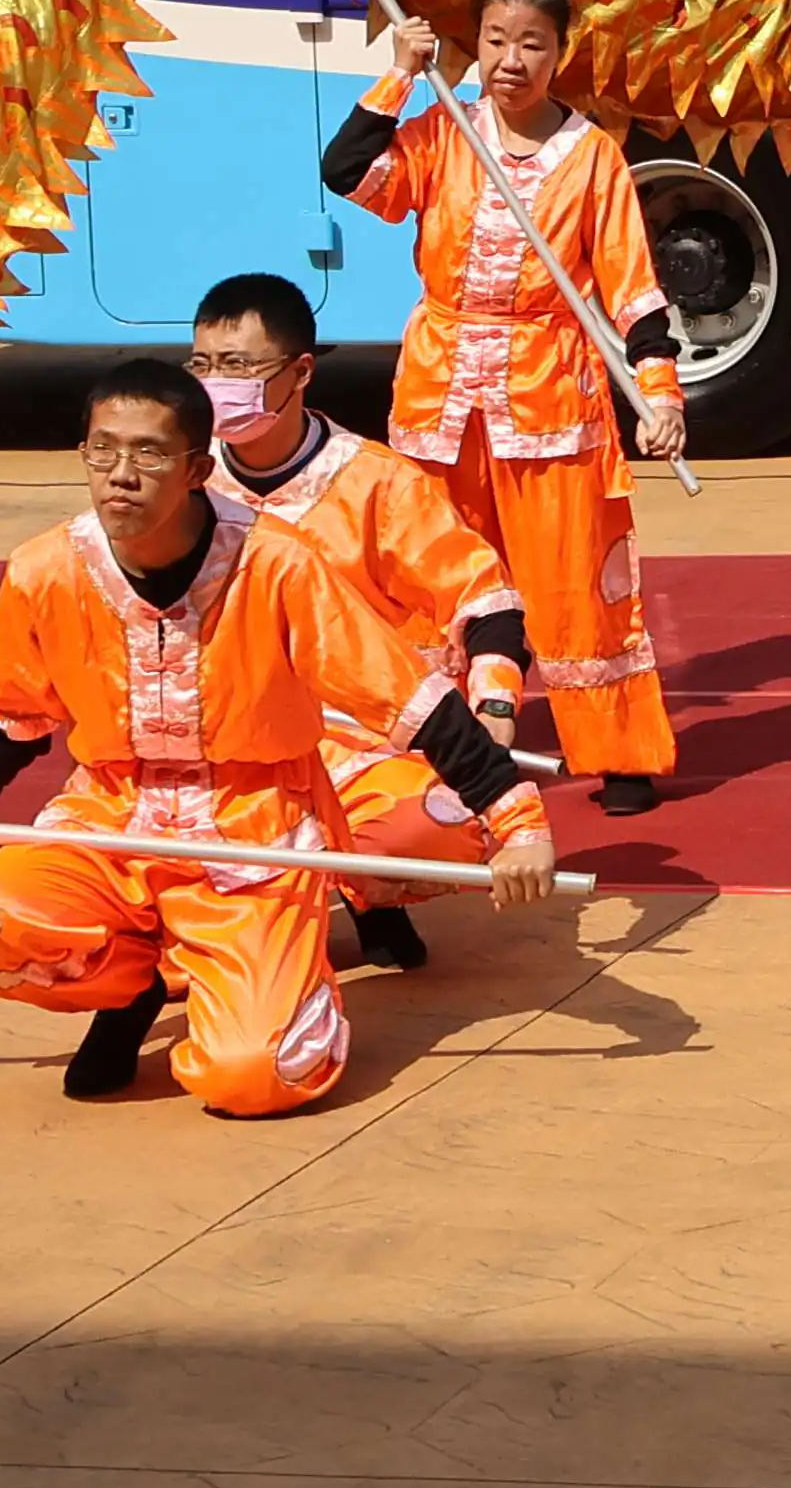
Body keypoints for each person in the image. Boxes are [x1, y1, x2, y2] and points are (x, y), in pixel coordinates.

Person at [0, 360, 530, 1110]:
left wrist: (516, 818)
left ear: (198, 469)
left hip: (253, 832)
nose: (121, 475)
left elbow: (411, 700)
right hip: (112, 822)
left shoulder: (279, 564)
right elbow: (10, 722)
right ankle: (133, 983)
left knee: (256, 1077)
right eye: (103, 451)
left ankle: (277, 966)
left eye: (148, 454)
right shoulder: (43, 571)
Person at [323, 0, 690, 813]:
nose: (510, 61)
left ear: (560, 54)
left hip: (549, 390)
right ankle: (436, 738)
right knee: (433, 573)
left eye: (531, 44)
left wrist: (660, 392)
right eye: (495, 41)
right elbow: (345, 171)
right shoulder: (443, 130)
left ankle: (617, 751)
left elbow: (633, 291)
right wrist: (401, 73)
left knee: (574, 573)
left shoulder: (592, 157)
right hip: (441, 391)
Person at [186, 267, 558, 974]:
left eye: (237, 366)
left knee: (448, 821)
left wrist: (495, 708)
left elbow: (484, 599)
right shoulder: (184, 481)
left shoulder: (378, 484)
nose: (215, 384)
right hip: (223, 748)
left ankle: (364, 893)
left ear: (300, 372)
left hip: (356, 743)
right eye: (202, 366)